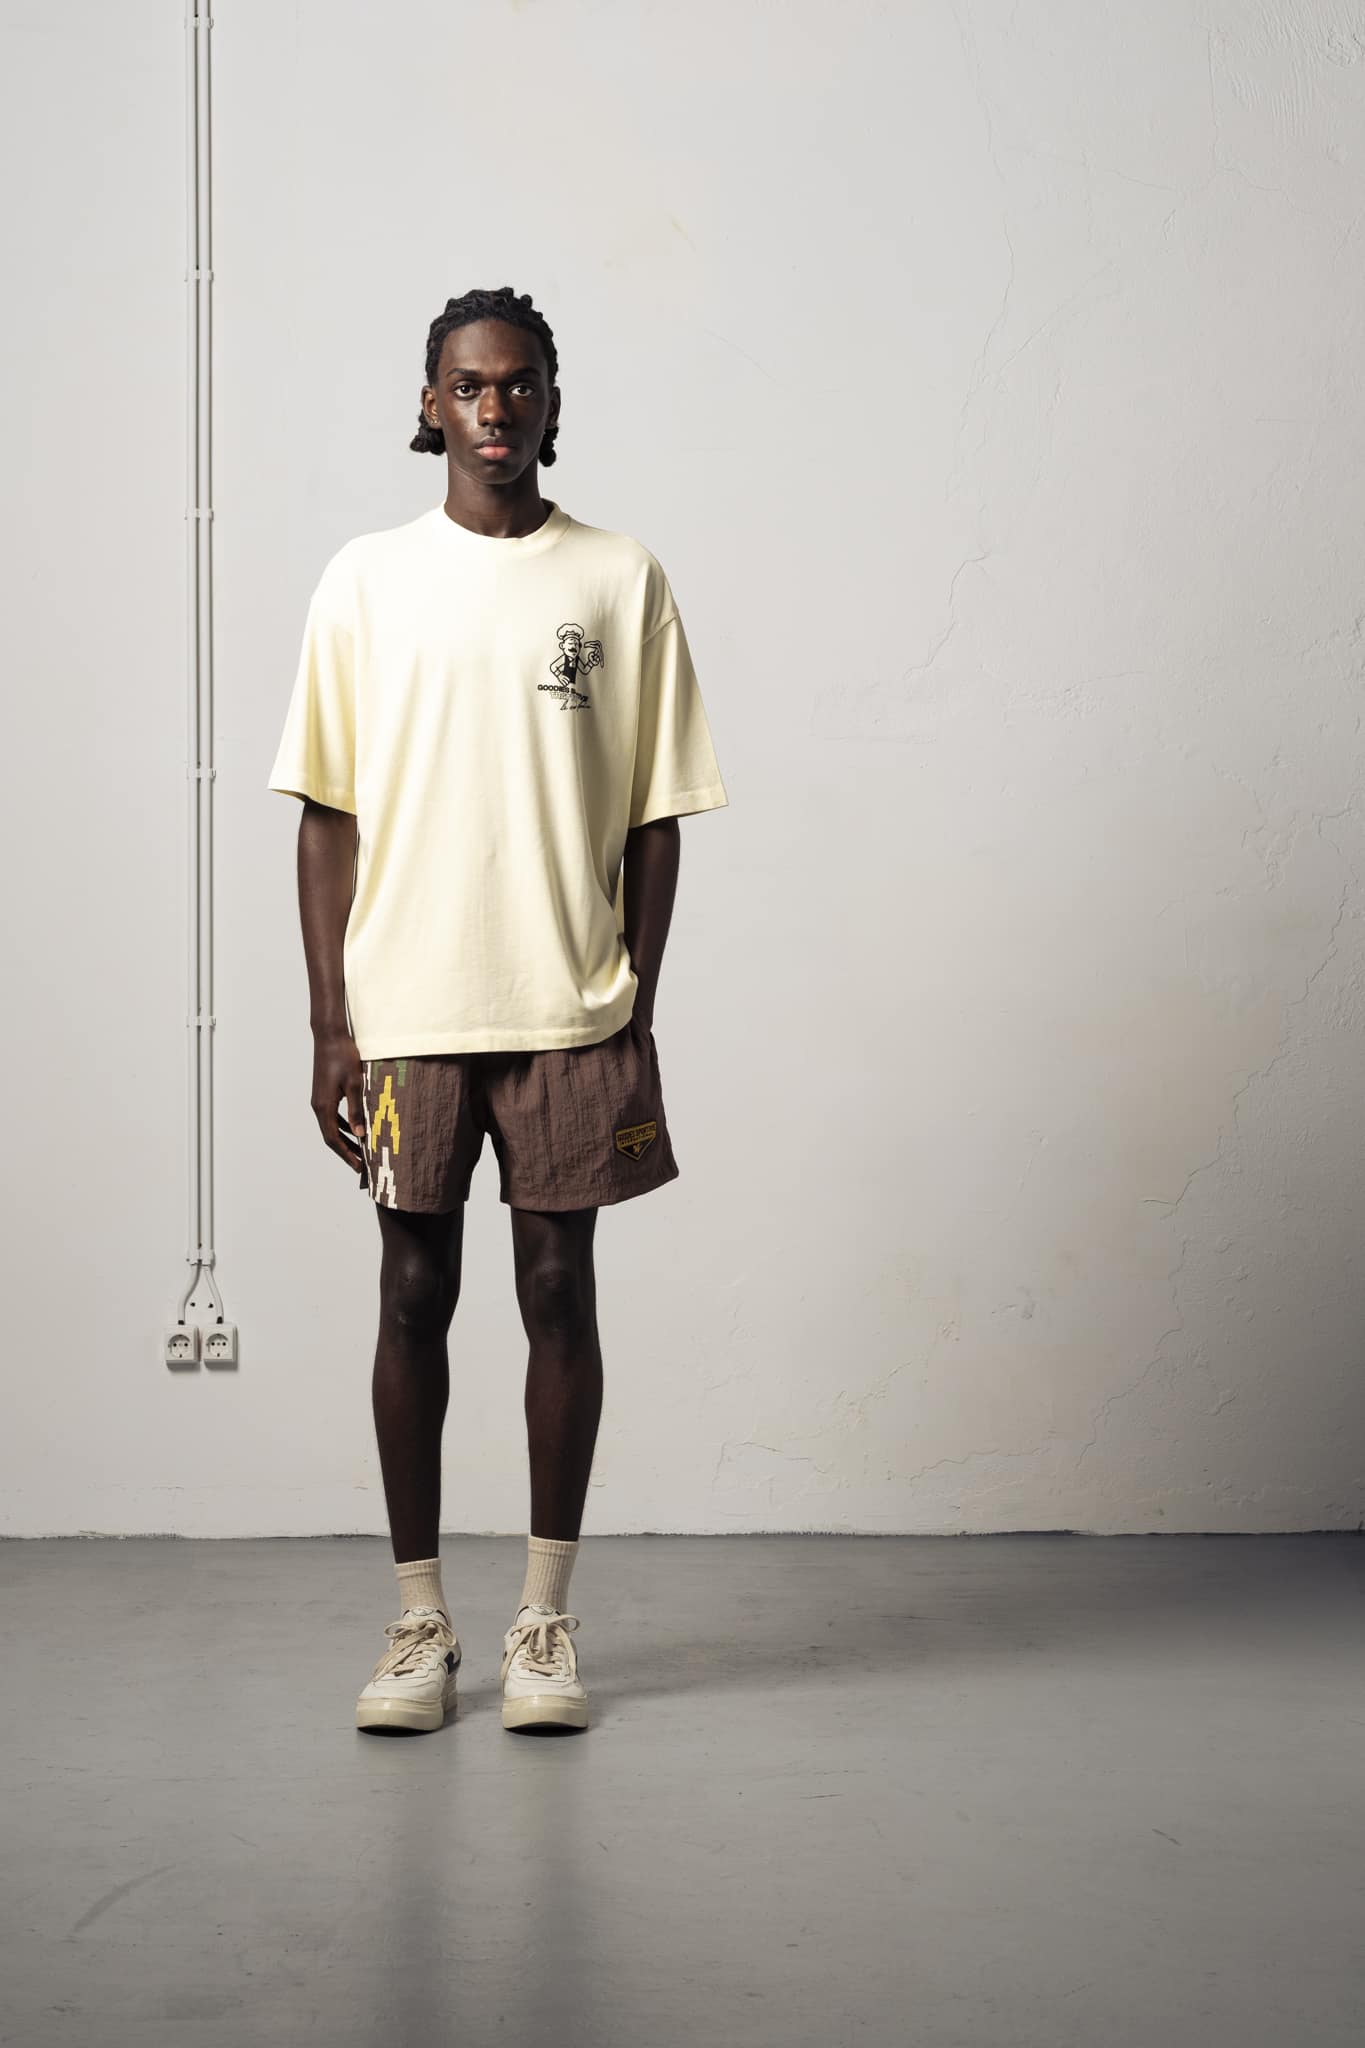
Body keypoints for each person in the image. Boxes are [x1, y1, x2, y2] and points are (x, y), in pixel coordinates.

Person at [266, 286, 729, 1736]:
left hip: (567, 1007)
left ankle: (543, 1623)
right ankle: (419, 1624)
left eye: (518, 384)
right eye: (467, 386)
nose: (493, 408)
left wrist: (635, 997)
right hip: (406, 1009)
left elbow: (656, 815)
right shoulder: (365, 580)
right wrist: (331, 1025)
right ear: (429, 406)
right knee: (413, 1293)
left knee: (556, 1290)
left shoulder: (618, 578)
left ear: (550, 404)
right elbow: (327, 815)